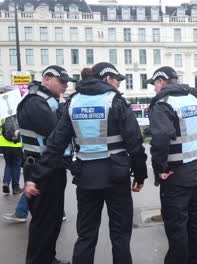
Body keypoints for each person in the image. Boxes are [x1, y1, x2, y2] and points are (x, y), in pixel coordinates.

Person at [24, 62, 148, 264]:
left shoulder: (73, 103)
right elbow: (134, 141)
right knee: (120, 236)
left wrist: (36, 177)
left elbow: (55, 145)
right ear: (106, 79)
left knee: (86, 235)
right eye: (115, 80)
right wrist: (140, 174)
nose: (117, 84)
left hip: (86, 177)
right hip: (117, 176)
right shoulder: (115, 101)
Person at [148, 66, 197, 264]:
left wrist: (160, 169)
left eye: (154, 84)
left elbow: (160, 138)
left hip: (174, 174)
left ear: (162, 81)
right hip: (195, 171)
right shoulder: (193, 101)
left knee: (176, 226)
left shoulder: (163, 104)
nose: (154, 89)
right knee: (196, 220)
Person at [14, 66, 72, 264]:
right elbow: (56, 132)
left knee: (53, 218)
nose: (65, 85)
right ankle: (37, 260)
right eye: (62, 81)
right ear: (46, 79)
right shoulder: (35, 102)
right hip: (40, 168)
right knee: (43, 220)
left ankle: (48, 257)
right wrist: (64, 111)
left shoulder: (48, 101)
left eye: (66, 82)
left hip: (51, 167)